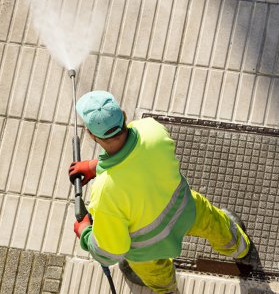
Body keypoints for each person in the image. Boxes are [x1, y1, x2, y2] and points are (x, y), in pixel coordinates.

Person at [70, 91, 251, 293]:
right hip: (185, 208)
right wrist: (97, 166)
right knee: (214, 222)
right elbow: (137, 161)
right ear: (124, 115)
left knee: (159, 278)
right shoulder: (152, 129)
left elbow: (110, 252)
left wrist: (85, 233)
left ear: (92, 135)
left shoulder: (105, 192)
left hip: (147, 249)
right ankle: (240, 247)